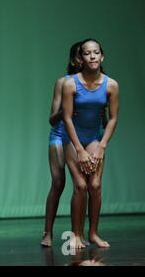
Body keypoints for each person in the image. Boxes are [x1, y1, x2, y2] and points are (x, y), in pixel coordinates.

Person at [62, 38, 119, 249]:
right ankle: (76, 234)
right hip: (73, 139)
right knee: (80, 185)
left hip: (95, 138)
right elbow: (66, 118)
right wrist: (79, 149)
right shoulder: (71, 83)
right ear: (81, 57)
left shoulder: (111, 84)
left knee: (95, 185)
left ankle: (93, 233)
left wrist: (102, 145)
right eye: (87, 53)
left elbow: (113, 118)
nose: (92, 56)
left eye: (96, 52)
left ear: (101, 56)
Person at [41, 42, 85, 247]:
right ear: (74, 59)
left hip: (82, 139)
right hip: (59, 136)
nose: (82, 59)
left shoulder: (95, 83)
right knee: (58, 183)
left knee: (82, 185)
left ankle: (79, 234)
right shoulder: (63, 82)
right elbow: (52, 118)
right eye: (79, 55)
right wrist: (67, 109)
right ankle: (47, 233)